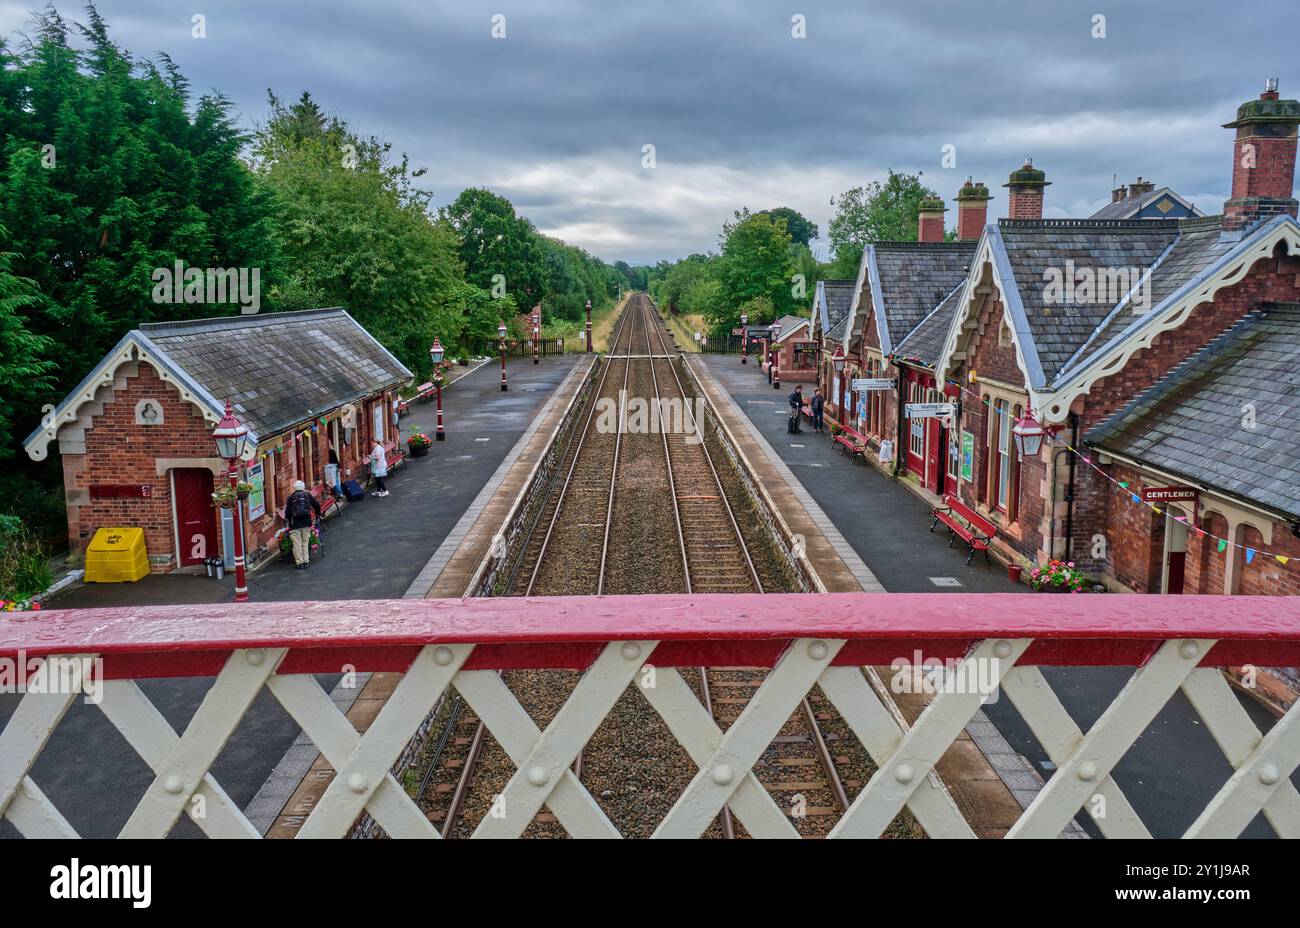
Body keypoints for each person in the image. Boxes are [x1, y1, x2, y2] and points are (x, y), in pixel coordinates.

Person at [282, 480, 321, 570]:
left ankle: (300, 563)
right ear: (303, 487)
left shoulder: (291, 498)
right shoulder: (308, 495)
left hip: (294, 524)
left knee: (297, 544)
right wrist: (318, 514)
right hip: (306, 522)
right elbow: (317, 505)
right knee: (305, 542)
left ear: (294, 488)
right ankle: (306, 561)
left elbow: (287, 512)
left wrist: (287, 519)